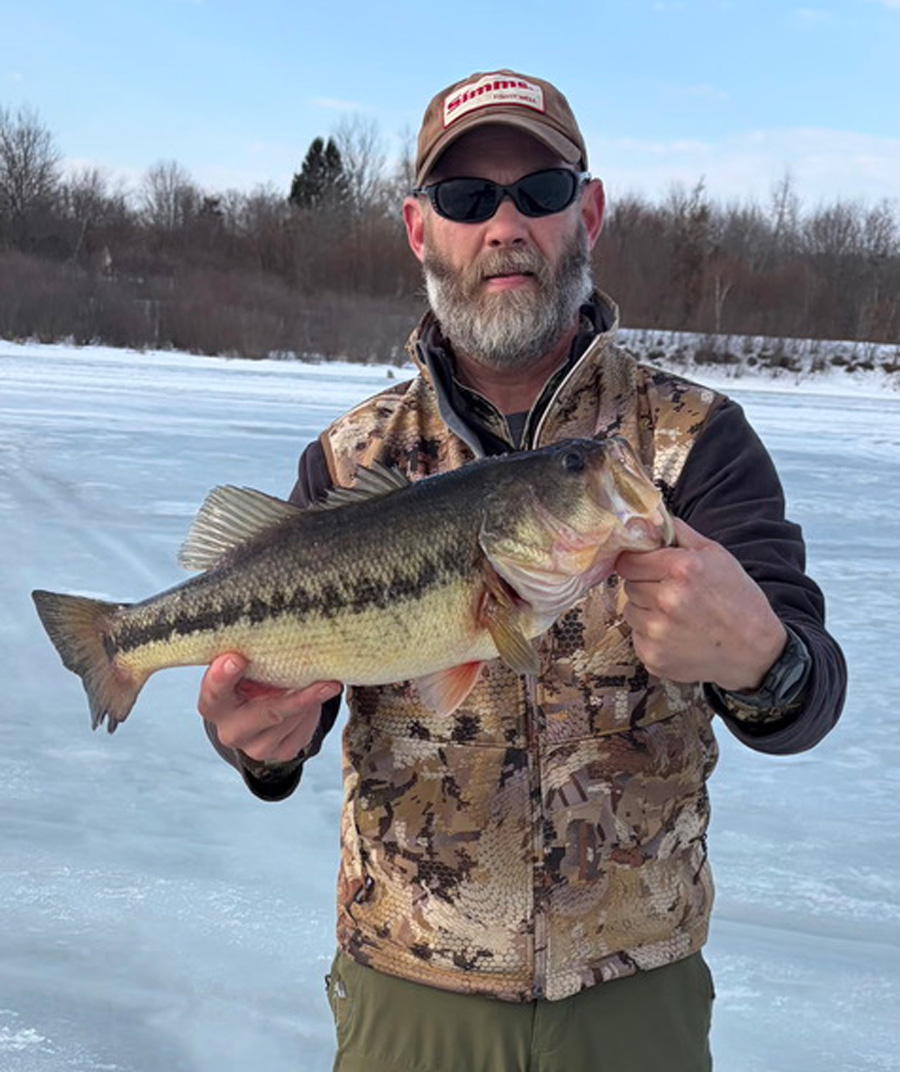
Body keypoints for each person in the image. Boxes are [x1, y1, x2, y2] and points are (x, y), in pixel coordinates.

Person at [199, 70, 847, 1072]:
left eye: (537, 190)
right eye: (466, 199)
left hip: (637, 998)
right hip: (409, 993)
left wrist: (766, 660)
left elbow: (810, 686)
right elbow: (299, 703)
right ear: (421, 231)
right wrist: (260, 742)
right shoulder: (347, 461)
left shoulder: (691, 444)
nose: (504, 225)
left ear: (585, 211)